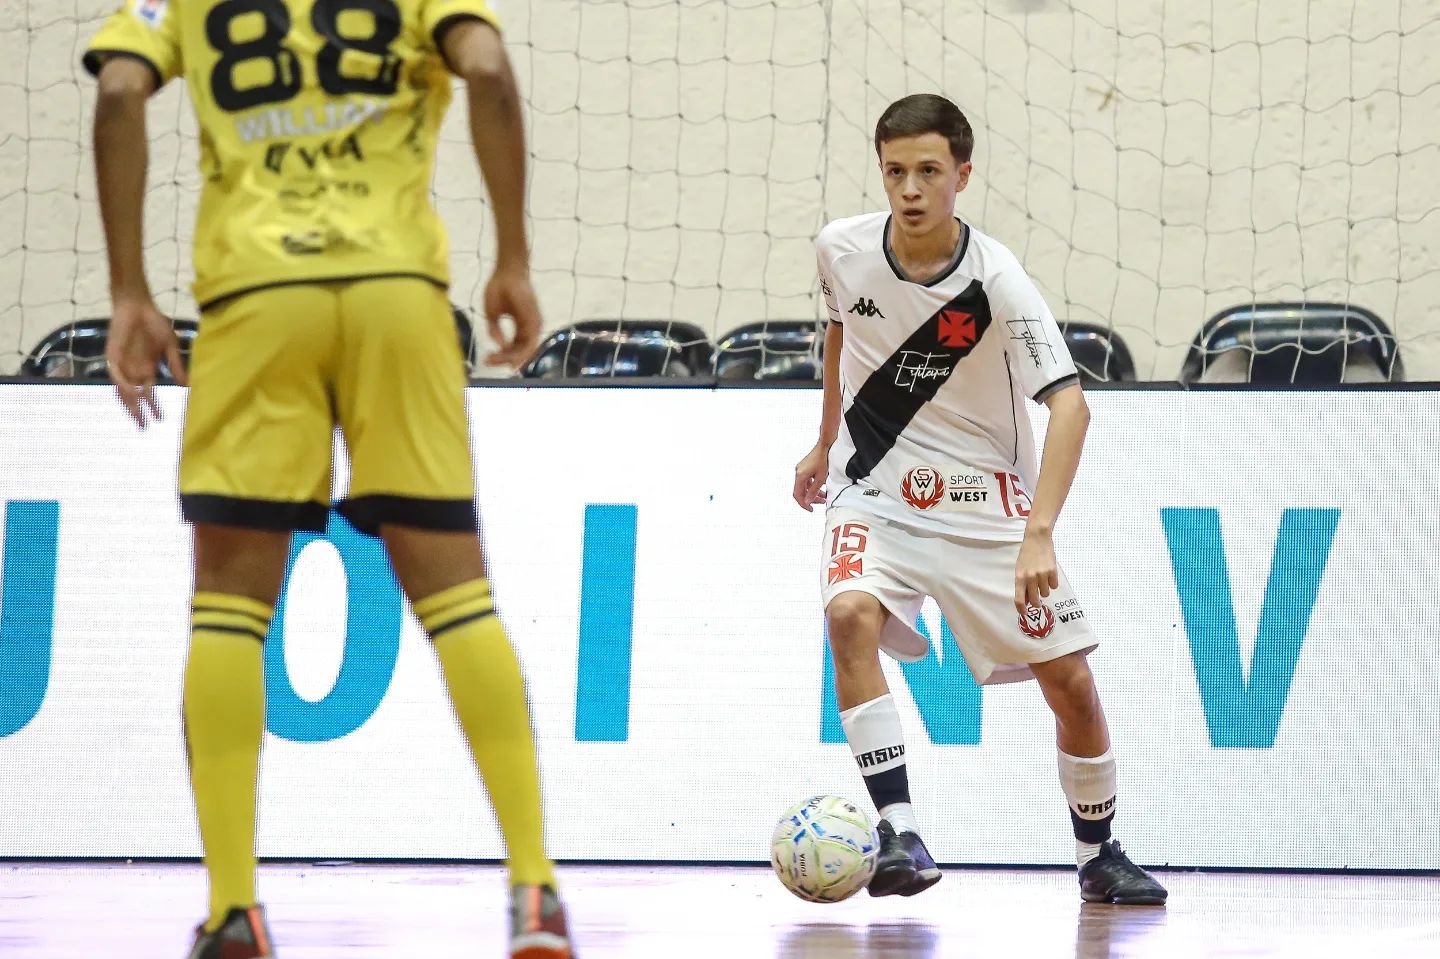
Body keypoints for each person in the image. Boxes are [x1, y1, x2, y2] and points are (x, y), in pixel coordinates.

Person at [82, 1, 573, 955]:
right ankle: (534, 888)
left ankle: (235, 907)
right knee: (460, 597)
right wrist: (512, 255)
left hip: (255, 299)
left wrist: (129, 290)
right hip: (397, 295)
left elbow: (116, 94)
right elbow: (488, 69)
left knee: (228, 608)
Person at [793, 93, 1167, 905]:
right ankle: (899, 831)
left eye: (929, 171)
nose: (910, 189)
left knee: (1070, 683)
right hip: (874, 491)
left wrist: (1039, 533)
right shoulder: (839, 249)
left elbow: (1071, 406)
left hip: (985, 504)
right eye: (895, 171)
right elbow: (839, 331)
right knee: (848, 613)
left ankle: (1098, 854)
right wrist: (824, 441)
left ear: (962, 175)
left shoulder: (997, 280)